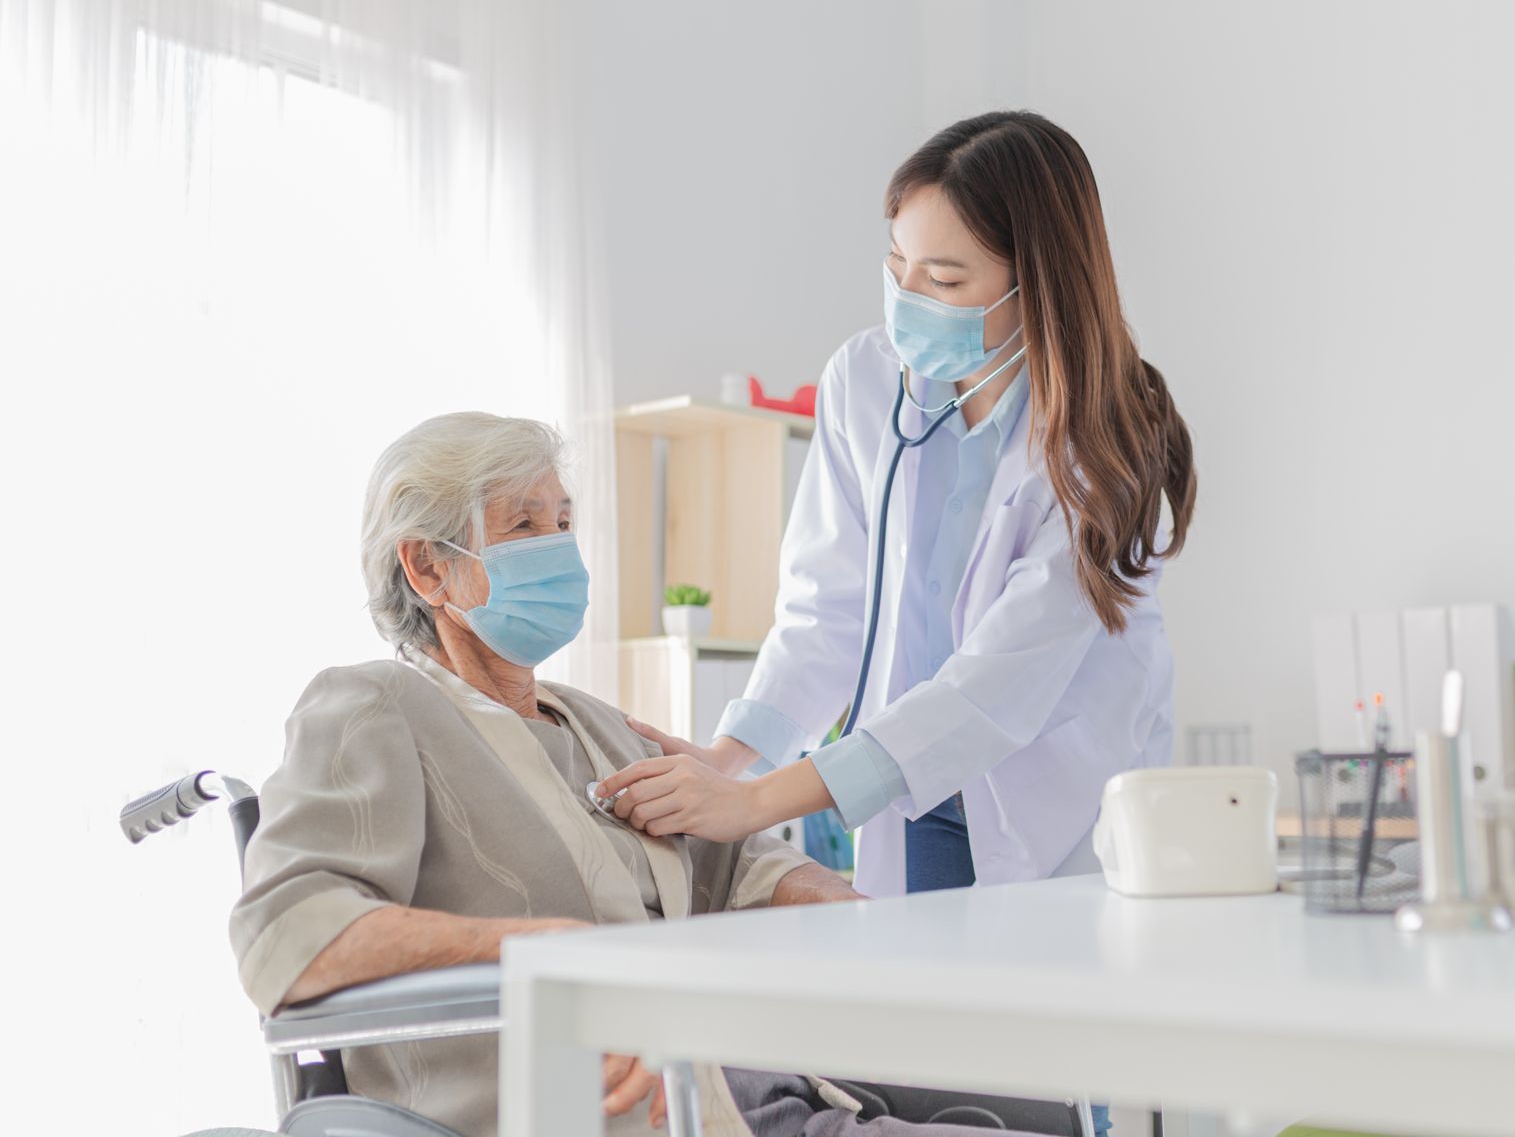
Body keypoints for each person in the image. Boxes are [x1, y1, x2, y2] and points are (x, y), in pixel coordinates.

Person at [230, 411, 1069, 1137]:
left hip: (741, 1072)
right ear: (428, 567)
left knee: (1041, 1097)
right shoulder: (374, 707)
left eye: (564, 520)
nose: (558, 546)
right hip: (602, 1105)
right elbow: (287, 932)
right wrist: (538, 949)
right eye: (524, 526)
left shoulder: (592, 722)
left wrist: (860, 921)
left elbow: (735, 864)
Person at [599, 110, 1196, 913]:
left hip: (1059, 811)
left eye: (945, 281)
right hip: (906, 789)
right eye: (897, 266)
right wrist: (730, 757)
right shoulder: (867, 382)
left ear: (1041, 286)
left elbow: (994, 690)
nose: (908, 299)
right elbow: (827, 606)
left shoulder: (1107, 444)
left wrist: (758, 804)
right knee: (929, 1010)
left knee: (1034, 1015)